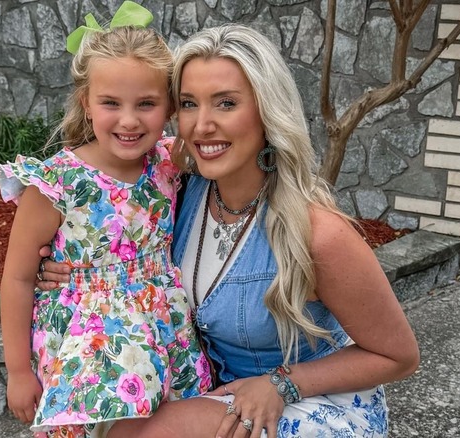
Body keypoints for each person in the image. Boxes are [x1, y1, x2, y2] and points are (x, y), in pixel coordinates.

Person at [37, 23, 420, 438]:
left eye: (225, 103)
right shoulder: (179, 192)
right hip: (214, 388)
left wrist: (283, 382)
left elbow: (398, 356)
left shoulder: (318, 234)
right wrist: (66, 267)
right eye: (188, 103)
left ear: (266, 110)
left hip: (316, 400)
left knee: (148, 434)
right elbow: (114, 237)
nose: (202, 126)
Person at [0, 4, 212, 436]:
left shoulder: (169, 162)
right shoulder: (57, 182)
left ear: (169, 106)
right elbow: (17, 278)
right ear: (86, 104)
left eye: (146, 103)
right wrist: (18, 371)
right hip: (83, 333)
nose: (129, 120)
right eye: (111, 103)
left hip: (162, 323)